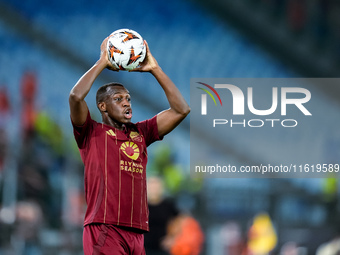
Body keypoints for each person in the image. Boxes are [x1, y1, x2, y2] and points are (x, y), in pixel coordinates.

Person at [69, 34, 190, 255]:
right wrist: (103, 61)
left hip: (136, 233)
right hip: (105, 228)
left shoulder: (141, 133)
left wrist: (155, 68)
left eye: (128, 98)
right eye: (118, 99)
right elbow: (76, 97)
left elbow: (181, 110)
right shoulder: (91, 132)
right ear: (102, 106)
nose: (126, 102)